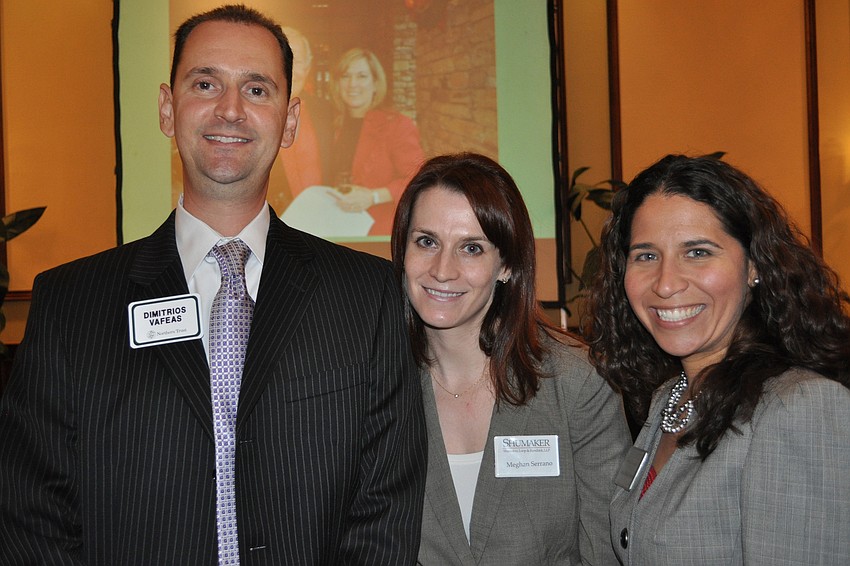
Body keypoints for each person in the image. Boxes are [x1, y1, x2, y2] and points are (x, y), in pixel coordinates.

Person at [0, 5, 426, 565]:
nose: (230, 110)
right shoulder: (70, 305)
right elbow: (32, 515)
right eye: (206, 83)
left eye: (256, 89)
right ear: (167, 108)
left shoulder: (365, 297)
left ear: (290, 120)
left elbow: (385, 507)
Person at [586, 154, 850, 564]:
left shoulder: (798, 407)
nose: (667, 283)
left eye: (698, 252)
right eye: (646, 256)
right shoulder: (667, 399)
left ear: (753, 266)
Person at [390, 152, 632, 564]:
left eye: (471, 248)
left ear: (506, 265)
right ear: (403, 251)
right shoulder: (372, 381)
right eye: (426, 242)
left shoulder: (576, 383)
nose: (443, 270)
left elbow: (607, 549)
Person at [331, 47, 425, 236]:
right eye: (346, 76)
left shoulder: (397, 125)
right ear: (338, 84)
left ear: (375, 83)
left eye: (362, 76)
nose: (352, 84)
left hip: (377, 231)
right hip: (335, 224)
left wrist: (373, 196)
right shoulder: (331, 125)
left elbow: (419, 179)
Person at [266, 26, 333, 211]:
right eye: (284, 61)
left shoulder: (326, 110)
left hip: (320, 219)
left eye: (299, 61)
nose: (291, 70)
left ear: (309, 66)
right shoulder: (251, 112)